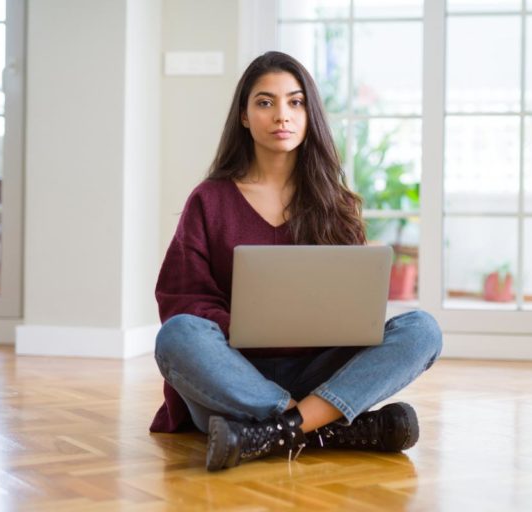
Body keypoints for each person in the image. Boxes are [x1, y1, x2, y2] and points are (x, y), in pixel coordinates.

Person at [151, 51, 443, 472]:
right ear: (245, 117)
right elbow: (182, 298)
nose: (281, 115)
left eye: (295, 101)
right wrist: (245, 328)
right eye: (265, 102)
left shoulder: (335, 203)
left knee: (422, 330)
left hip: (319, 372)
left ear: (310, 114)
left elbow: (354, 306)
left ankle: (273, 432)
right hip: (233, 377)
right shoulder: (210, 199)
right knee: (177, 335)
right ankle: (324, 426)